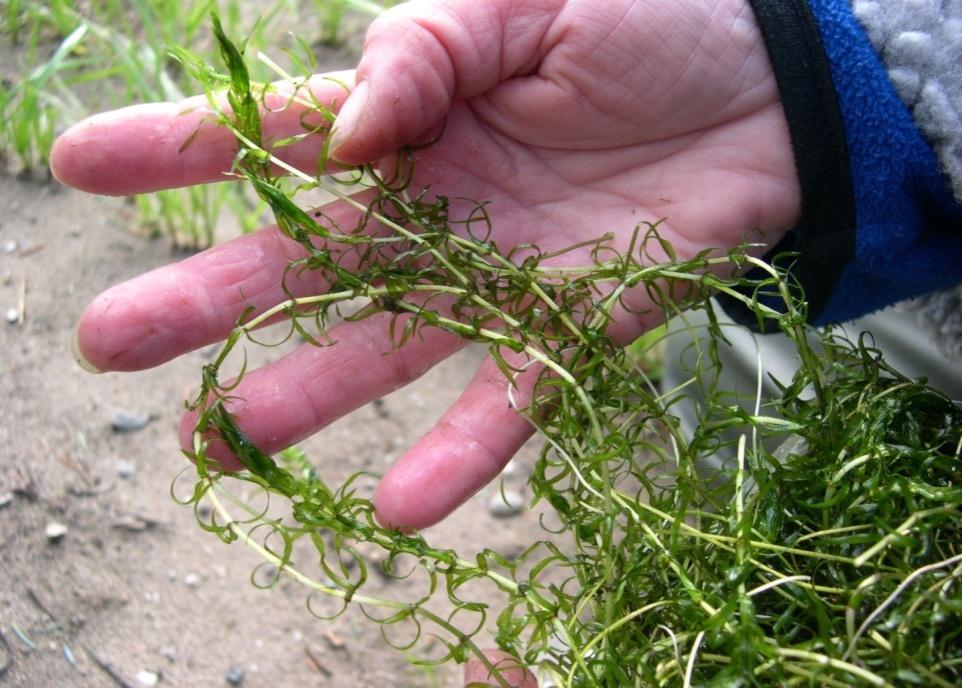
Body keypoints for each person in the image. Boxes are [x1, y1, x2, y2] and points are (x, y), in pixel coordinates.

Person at [50, 1, 961, 685]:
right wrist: (819, 60)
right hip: (885, 174)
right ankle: (736, 598)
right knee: (775, 453)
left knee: (860, 540)